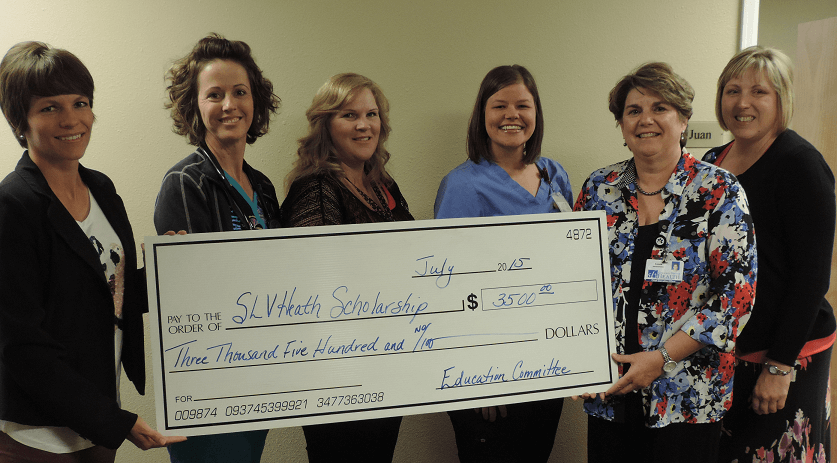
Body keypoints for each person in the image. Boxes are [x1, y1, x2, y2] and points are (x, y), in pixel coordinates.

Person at [0, 41, 185, 462]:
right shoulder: (12, 206)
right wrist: (114, 421)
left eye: (80, 103)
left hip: (95, 424)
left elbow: (106, 296)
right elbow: (21, 346)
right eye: (49, 107)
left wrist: (165, 272)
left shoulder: (101, 188)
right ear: (18, 120)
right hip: (37, 436)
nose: (71, 119)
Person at [573, 62, 757, 463]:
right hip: (610, 393)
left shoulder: (718, 191)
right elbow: (574, 282)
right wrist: (575, 359)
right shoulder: (598, 189)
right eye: (633, 110)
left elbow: (735, 298)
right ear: (621, 124)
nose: (646, 120)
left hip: (687, 396)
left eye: (660, 108)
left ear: (683, 118)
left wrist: (661, 359)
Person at [703, 46, 835, 463]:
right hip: (727, 349)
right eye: (732, 90)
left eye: (759, 91)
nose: (742, 103)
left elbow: (812, 277)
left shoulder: (801, 165)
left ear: (782, 100)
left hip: (785, 351)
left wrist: (779, 367)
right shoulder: (712, 162)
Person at [433, 64, 572, 462]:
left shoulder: (555, 175)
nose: (512, 115)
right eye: (500, 106)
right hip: (488, 371)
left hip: (547, 360)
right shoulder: (462, 185)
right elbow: (449, 288)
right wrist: (479, 379)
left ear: (536, 114)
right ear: (482, 115)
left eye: (522, 105)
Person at [153, 34, 282, 463]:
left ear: (255, 101)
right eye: (215, 94)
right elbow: (194, 297)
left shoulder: (262, 186)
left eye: (240, 92)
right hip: (210, 388)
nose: (230, 105)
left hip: (261, 376)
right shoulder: (185, 183)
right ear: (195, 106)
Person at [281, 72, 411, 461]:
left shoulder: (382, 185)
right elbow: (318, 289)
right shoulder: (316, 188)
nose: (363, 124)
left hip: (386, 363)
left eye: (371, 114)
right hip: (337, 377)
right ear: (326, 125)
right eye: (349, 115)